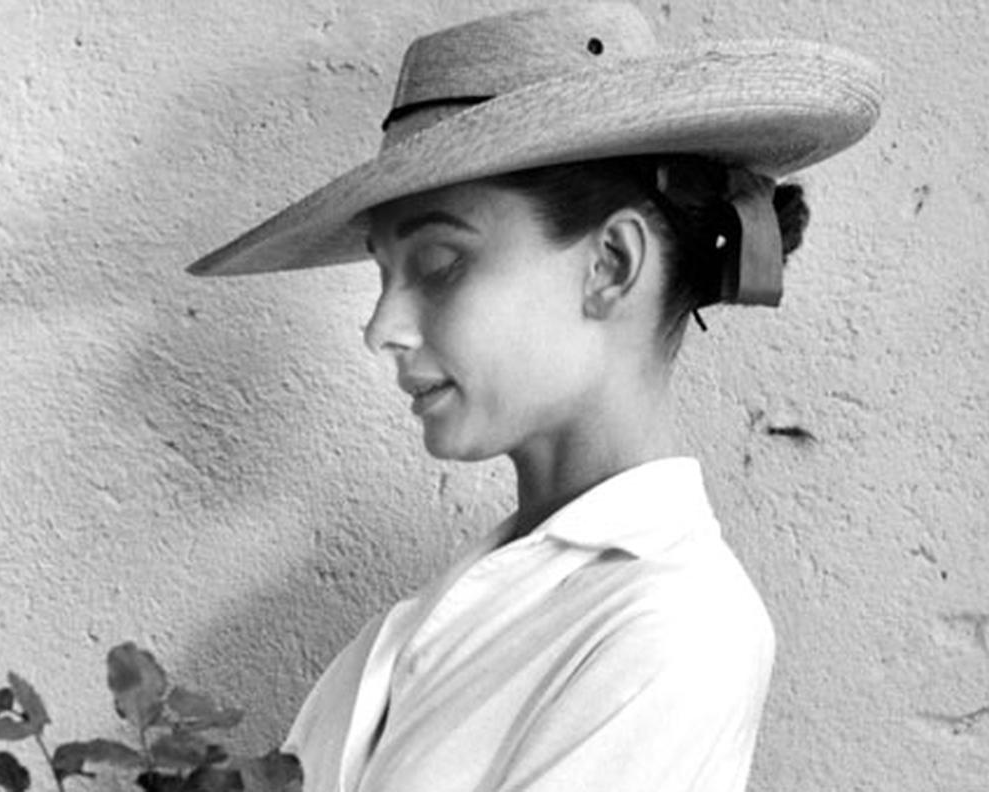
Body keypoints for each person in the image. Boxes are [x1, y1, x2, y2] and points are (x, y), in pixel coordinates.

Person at [186, 3, 882, 791]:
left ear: (611, 265)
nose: (381, 326)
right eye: (383, 272)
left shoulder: (676, 629)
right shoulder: (429, 622)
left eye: (440, 262)